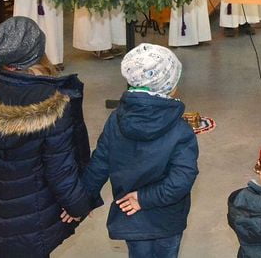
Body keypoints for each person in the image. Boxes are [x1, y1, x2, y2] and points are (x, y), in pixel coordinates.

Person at [0, 16, 92, 258]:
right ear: (37, 54)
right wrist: (78, 206)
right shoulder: (52, 104)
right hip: (36, 220)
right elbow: (60, 171)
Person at [80, 44, 198, 258]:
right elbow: (182, 178)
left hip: (130, 215)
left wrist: (84, 197)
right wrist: (144, 198)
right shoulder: (180, 129)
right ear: (171, 86)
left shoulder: (116, 120)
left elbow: (100, 161)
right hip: (167, 220)